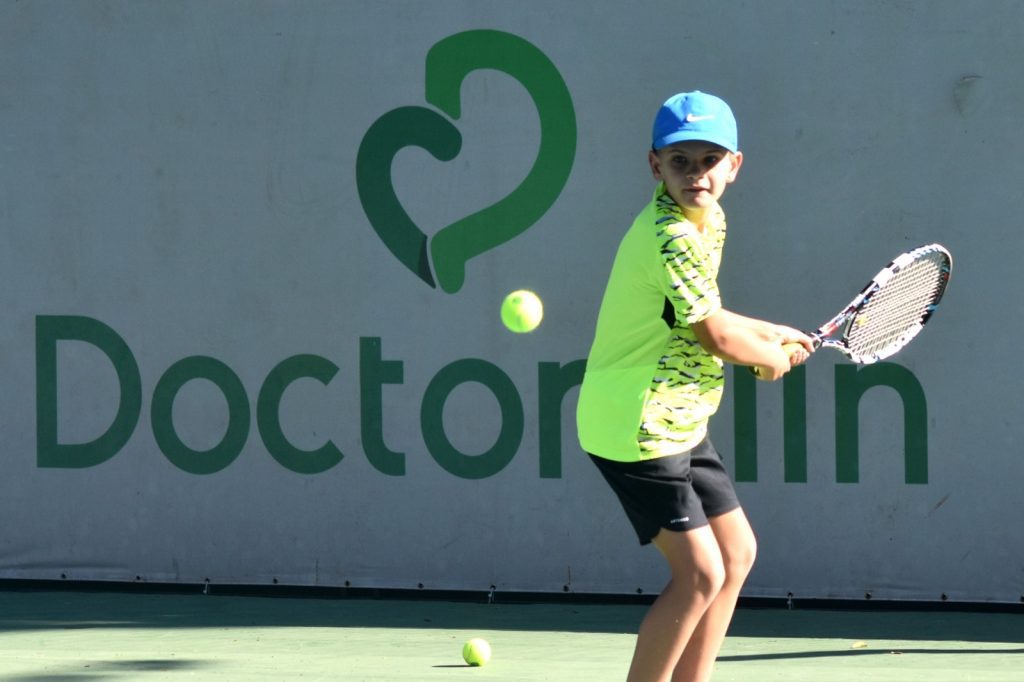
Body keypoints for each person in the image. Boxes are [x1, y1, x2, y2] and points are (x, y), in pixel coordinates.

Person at [576, 91, 815, 682]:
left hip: (679, 417)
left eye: (709, 160)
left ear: (734, 165)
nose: (696, 175)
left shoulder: (708, 221)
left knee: (736, 556)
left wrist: (770, 331)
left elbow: (703, 311)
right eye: (680, 161)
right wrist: (767, 358)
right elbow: (714, 336)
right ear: (654, 165)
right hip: (636, 426)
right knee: (701, 574)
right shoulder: (672, 236)